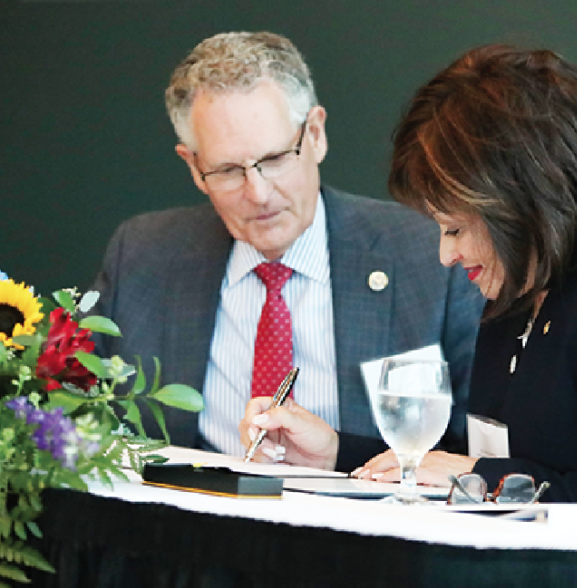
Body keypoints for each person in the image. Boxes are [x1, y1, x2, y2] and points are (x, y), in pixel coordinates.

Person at [252, 43, 577, 504]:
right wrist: (334, 453)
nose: (446, 255)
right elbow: (464, 461)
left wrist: (482, 479)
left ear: (519, 202)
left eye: (456, 229)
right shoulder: (519, 291)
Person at [90, 31, 484, 471]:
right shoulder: (144, 255)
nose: (258, 194)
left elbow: (477, 452)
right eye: (226, 170)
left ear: (315, 134)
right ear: (194, 167)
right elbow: (82, 419)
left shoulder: (428, 255)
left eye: (275, 159)